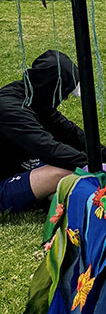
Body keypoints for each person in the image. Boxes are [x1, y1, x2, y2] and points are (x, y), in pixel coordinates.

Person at [0, 50, 86, 214]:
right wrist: (96, 166)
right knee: (62, 172)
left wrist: (105, 156)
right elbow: (48, 149)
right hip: (3, 184)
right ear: (51, 87)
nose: (65, 99)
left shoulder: (34, 98)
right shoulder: (10, 109)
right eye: (64, 93)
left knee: (67, 175)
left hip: (19, 167)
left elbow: (69, 132)